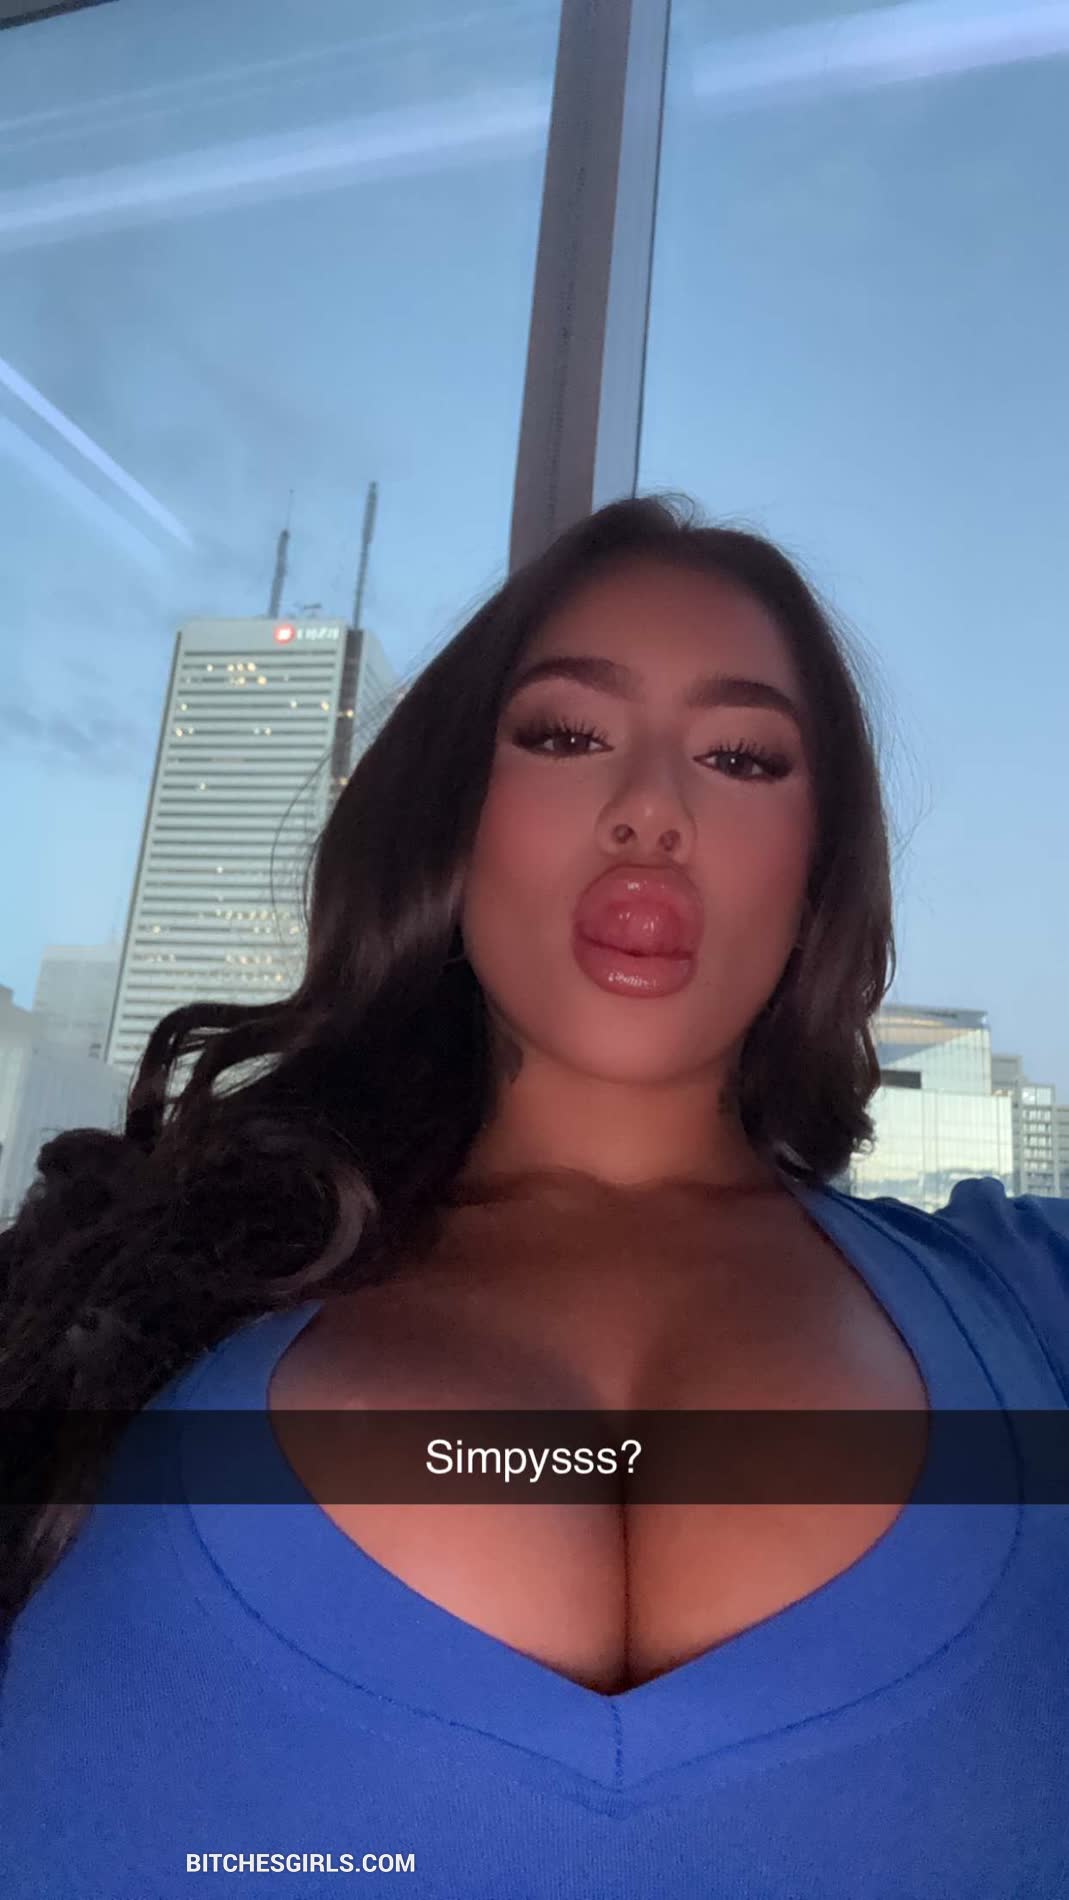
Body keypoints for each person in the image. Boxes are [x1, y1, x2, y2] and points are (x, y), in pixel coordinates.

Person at [1, 492, 1067, 1898]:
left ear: (819, 872)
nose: (651, 810)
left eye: (742, 757)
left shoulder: (1028, 1292)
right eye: (566, 736)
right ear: (452, 818)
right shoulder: (127, 1274)